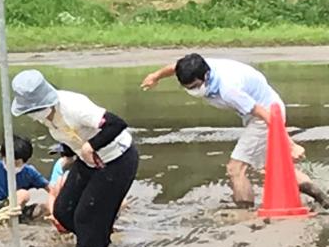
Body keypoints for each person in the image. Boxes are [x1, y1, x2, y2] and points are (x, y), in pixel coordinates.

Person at [140, 53, 328, 208]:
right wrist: (155, 76)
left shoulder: (229, 89)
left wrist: (290, 144)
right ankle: (322, 198)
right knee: (271, 167)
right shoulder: (195, 66)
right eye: (187, 88)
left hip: (266, 115)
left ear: (205, 76)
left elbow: (266, 115)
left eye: (195, 87)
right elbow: (174, 67)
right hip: (260, 112)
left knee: (235, 169)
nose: (192, 91)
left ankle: (245, 213)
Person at [11, 71, 139, 247]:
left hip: (116, 160)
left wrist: (90, 146)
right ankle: (97, 236)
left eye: (34, 111)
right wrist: (67, 157)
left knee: (85, 218)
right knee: (64, 211)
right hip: (88, 161)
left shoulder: (74, 106)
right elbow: (69, 134)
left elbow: (117, 124)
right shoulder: (47, 117)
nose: (34, 116)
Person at [0, 136, 52, 210]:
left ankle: (17, 215)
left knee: (45, 207)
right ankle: (8, 211)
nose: (11, 166)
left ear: (25, 161)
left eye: (16, 164)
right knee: (23, 194)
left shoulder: (30, 173)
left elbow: (48, 187)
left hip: (18, 208)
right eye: (8, 162)